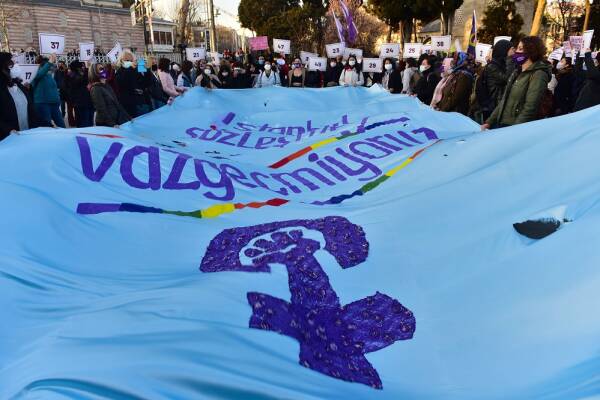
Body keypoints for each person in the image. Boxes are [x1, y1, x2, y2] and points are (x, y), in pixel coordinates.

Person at [483, 36, 552, 130]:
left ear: (531, 51)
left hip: (514, 126)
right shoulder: (517, 71)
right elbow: (504, 100)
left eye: (520, 49)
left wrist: (515, 130)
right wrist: (489, 122)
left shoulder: (538, 74)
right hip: (502, 123)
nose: (516, 52)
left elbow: (530, 108)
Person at [472, 40, 514, 123]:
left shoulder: (501, 64)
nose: (514, 51)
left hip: (497, 105)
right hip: (492, 105)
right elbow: (507, 79)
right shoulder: (492, 66)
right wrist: (510, 59)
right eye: (512, 49)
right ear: (504, 50)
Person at [0, 52, 38, 140]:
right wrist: (7, 130)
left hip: (27, 137)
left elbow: (31, 111)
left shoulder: (19, 86)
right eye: (11, 65)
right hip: (8, 140)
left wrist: (48, 124)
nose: (16, 66)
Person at [89, 63, 130, 128]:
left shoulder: (107, 86)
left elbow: (117, 103)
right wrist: (112, 124)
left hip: (115, 120)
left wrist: (128, 117)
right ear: (95, 72)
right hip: (105, 124)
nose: (104, 71)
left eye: (104, 68)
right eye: (101, 69)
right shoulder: (95, 89)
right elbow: (101, 109)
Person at [31, 54, 65, 128]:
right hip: (43, 104)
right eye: (50, 65)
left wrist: (57, 101)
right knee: (46, 127)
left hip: (54, 105)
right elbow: (40, 73)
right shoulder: (36, 73)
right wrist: (49, 62)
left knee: (62, 126)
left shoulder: (49, 75)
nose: (53, 66)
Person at [115, 51, 151, 118]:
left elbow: (145, 83)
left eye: (131, 60)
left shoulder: (135, 70)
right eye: (127, 60)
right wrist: (130, 68)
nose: (130, 62)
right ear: (121, 61)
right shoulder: (119, 72)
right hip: (129, 106)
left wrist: (146, 71)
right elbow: (122, 83)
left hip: (142, 103)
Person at [67, 61, 94, 127]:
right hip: (81, 103)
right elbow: (82, 81)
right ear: (77, 68)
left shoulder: (80, 74)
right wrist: (87, 69)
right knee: (84, 123)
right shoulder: (72, 75)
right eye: (81, 67)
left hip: (87, 102)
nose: (83, 68)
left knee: (89, 122)